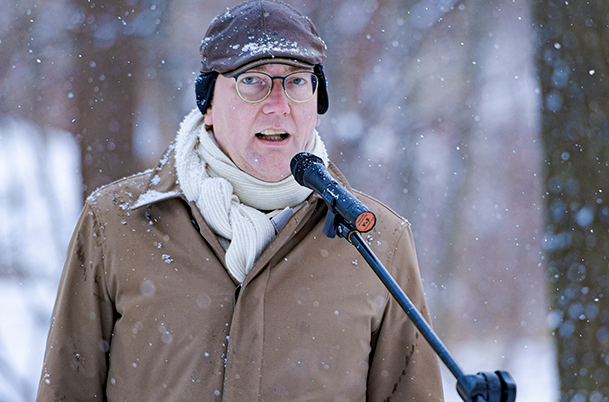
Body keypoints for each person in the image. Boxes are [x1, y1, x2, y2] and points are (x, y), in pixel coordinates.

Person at [36, 1, 444, 401]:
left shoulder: (377, 241)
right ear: (208, 104)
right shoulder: (116, 224)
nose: (278, 105)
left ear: (317, 107)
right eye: (252, 80)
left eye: (298, 81)